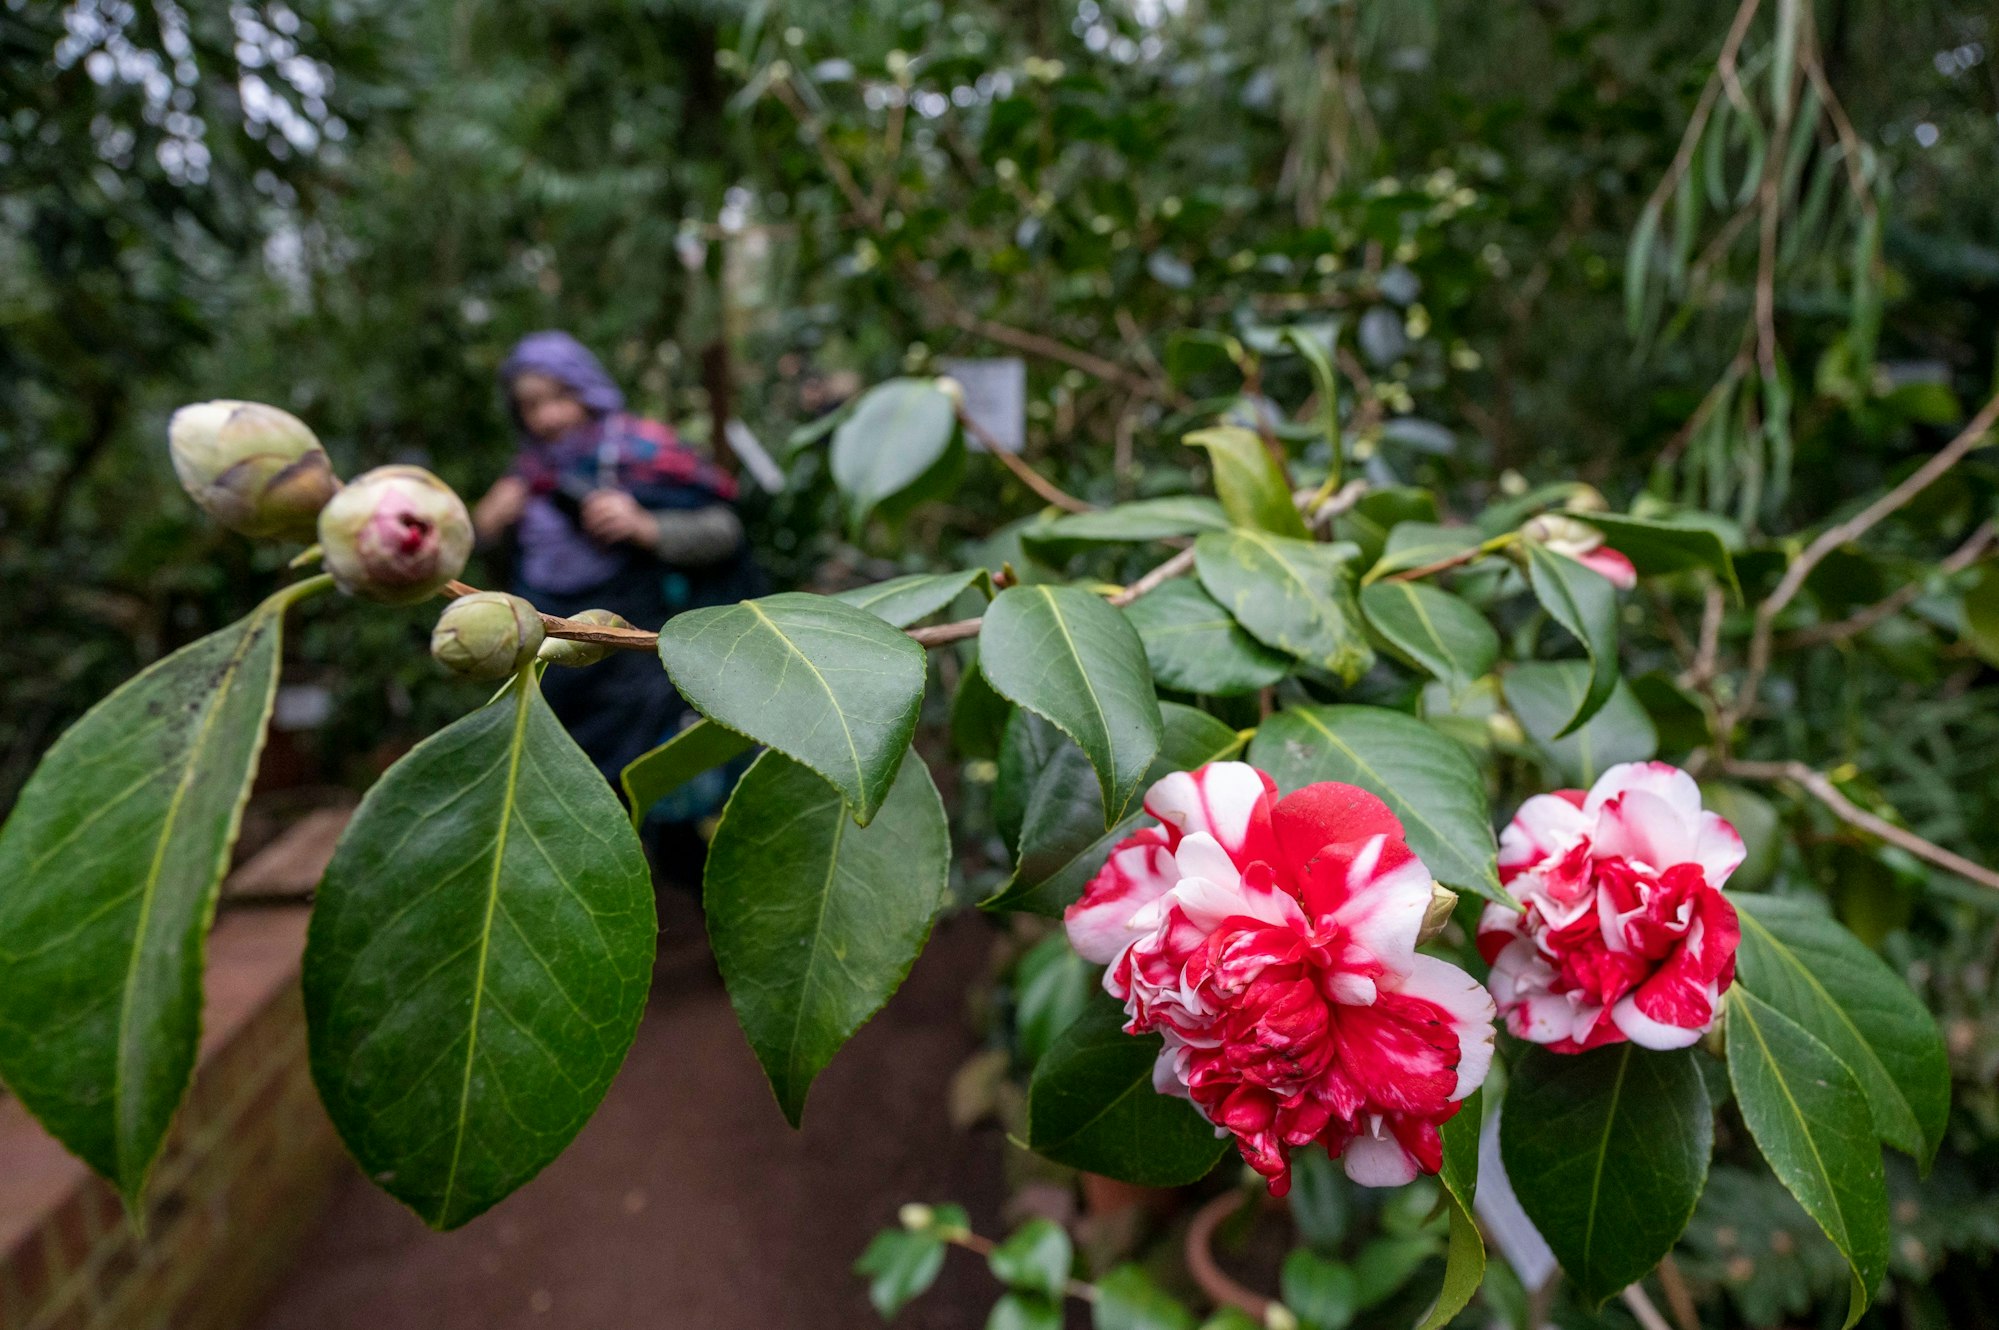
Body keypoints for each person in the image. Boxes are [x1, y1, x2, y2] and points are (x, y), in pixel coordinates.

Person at [474, 331, 746, 792]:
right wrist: (487, 526)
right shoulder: (528, 472)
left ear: (588, 390)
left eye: (560, 397)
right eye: (531, 404)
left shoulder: (643, 450)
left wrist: (647, 528)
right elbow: (501, 567)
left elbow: (726, 532)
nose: (547, 416)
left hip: (634, 662)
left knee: (643, 786)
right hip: (553, 667)